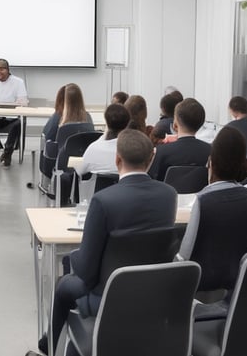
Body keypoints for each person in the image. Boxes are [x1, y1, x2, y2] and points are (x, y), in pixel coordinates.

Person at [30, 129, 177, 356]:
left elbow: (88, 272)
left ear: (117, 159)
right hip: (152, 291)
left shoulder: (103, 201)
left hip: (107, 295)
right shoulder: (169, 195)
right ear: (152, 158)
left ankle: (48, 346)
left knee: (63, 286)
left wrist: (74, 257)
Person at [177, 126, 247, 260]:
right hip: (237, 275)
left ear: (211, 163)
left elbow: (184, 256)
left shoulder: (204, 201)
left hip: (198, 277)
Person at [148, 98, 211, 181]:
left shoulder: (161, 152)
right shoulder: (211, 151)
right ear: (201, 123)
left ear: (175, 124)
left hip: (168, 193)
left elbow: (151, 180)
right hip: (200, 193)